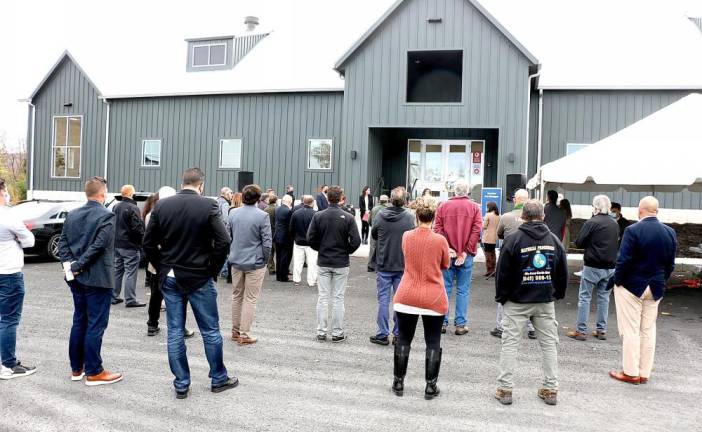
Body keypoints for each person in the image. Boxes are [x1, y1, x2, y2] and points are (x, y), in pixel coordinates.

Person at [143, 167, 237, 399]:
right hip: (198, 276)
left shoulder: (162, 205)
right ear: (201, 185)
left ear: (182, 182)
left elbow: (147, 243)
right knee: (210, 330)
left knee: (175, 331)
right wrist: (212, 270)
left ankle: (181, 383)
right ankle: (218, 377)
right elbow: (224, 241)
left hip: (171, 275)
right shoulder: (208, 205)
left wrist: (162, 265)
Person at [494, 200, 568, 406]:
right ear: (543, 216)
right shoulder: (554, 240)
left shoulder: (513, 239)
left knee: (510, 343)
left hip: (517, 300)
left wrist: (502, 297)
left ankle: (505, 389)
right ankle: (551, 389)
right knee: (549, 344)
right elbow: (562, 272)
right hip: (544, 299)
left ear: (523, 217)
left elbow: (503, 273)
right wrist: (557, 294)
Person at [58, 176, 123, 386]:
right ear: (103, 194)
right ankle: (94, 371)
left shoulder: (73, 214)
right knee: (95, 324)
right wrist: (77, 266)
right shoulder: (107, 216)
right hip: (97, 278)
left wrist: (69, 267)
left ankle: (77, 368)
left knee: (80, 321)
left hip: (76, 278)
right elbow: (99, 246)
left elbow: (63, 244)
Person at [609, 196, 676, 385]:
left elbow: (624, 261)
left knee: (630, 330)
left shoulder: (632, 230)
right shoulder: (670, 232)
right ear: (657, 211)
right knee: (648, 330)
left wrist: (618, 281)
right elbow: (670, 264)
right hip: (656, 287)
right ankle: (644, 372)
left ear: (640, 210)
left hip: (632, 286)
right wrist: (662, 280)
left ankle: (631, 372)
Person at [391, 196, 449, 399]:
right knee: (433, 341)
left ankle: (398, 382)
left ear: (416, 215)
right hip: (433, 297)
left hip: (407, 294)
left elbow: (407, 256)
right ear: (434, 217)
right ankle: (430, 386)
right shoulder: (440, 240)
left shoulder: (407, 236)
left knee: (404, 338)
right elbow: (445, 264)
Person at [307, 186, 361, 342]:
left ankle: (321, 331)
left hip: (324, 260)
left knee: (323, 297)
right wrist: (346, 250)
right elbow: (356, 241)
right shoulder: (348, 217)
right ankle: (337, 332)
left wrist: (320, 248)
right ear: (341, 197)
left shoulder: (318, 216)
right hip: (341, 261)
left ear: (327, 197)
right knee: (338, 298)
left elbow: (310, 238)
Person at [143, 187, 195, 338]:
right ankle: (180, 327)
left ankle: (152, 324)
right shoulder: (175, 214)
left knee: (156, 294)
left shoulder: (151, 214)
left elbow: (148, 241)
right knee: (179, 297)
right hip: (172, 262)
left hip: (156, 262)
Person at [566, 195, 619, 341]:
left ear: (595, 207)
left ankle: (581, 331)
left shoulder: (592, 222)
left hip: (592, 265)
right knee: (604, 298)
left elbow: (579, 243)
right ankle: (601, 330)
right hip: (610, 266)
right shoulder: (614, 223)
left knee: (584, 297)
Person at [433, 180, 482, 335]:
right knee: (463, 290)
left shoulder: (443, 206)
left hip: (448, 253)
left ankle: (442, 322)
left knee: (445, 288)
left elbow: (437, 229)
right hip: (465, 256)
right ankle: (460, 324)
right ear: (467, 192)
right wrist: (466, 252)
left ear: (454, 191)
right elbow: (476, 231)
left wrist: (447, 248)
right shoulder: (475, 207)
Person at [0, 180, 37, 380]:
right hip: (8, 273)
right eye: (5, 191)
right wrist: (16, 239)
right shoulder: (8, 217)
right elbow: (29, 240)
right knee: (8, 319)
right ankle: (8, 365)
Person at [369, 187, 415, 346]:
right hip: (402, 264)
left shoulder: (381, 215)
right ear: (405, 201)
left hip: (384, 262)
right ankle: (398, 334)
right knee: (400, 301)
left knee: (383, 299)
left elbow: (374, 234)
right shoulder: (409, 217)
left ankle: (382, 334)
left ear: (390, 199)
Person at [228, 184, 272, 346]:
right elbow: (267, 242)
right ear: (258, 198)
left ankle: (235, 331)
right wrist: (265, 260)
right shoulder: (262, 216)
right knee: (250, 298)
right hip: (255, 262)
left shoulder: (233, 213)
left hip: (236, 260)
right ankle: (245, 334)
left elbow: (228, 236)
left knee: (237, 295)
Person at [492, 189, 535, 339]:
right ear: (528, 200)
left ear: (515, 200)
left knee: (504, 291)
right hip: (529, 258)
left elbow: (499, 234)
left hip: (509, 259)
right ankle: (532, 328)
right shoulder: (534, 219)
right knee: (530, 291)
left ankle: (500, 326)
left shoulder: (506, 217)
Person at [112, 184, 146, 307]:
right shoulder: (133, 208)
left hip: (117, 244)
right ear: (131, 194)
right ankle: (130, 299)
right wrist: (143, 241)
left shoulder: (116, 207)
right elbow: (137, 228)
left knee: (117, 270)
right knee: (131, 272)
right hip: (130, 245)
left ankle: (114, 296)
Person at [289, 195, 318, 287]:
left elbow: (291, 228)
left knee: (297, 261)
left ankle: (296, 279)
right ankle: (311, 281)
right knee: (312, 263)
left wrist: (294, 238)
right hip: (311, 243)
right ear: (312, 202)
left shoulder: (296, 213)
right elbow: (318, 229)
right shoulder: (315, 214)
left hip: (298, 241)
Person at [367, 194, 390, 272]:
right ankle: (379, 266)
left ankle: (370, 266)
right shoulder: (389, 209)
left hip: (374, 230)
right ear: (387, 201)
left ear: (379, 201)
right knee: (382, 248)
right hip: (384, 232)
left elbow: (369, 221)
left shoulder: (374, 209)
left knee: (372, 247)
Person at [274, 194, 294, 282]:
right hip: (286, 237)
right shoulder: (288, 211)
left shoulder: (277, 209)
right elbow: (290, 225)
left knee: (278, 257)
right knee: (285, 257)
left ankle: (278, 275)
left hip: (277, 235)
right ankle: (283, 276)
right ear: (290, 202)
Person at [482, 202, 500, 278]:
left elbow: (484, 226)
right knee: (493, 253)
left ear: (490, 207)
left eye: (487, 206)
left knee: (488, 254)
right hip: (494, 237)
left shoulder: (488, 215)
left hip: (487, 237)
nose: (486, 208)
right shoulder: (498, 215)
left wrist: (483, 220)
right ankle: (493, 269)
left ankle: (489, 270)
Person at [265, 195, 278, 275]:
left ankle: (271, 269)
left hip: (268, 233)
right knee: (278, 253)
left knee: (270, 253)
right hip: (276, 233)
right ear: (276, 201)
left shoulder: (265, 209)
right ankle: (279, 268)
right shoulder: (276, 209)